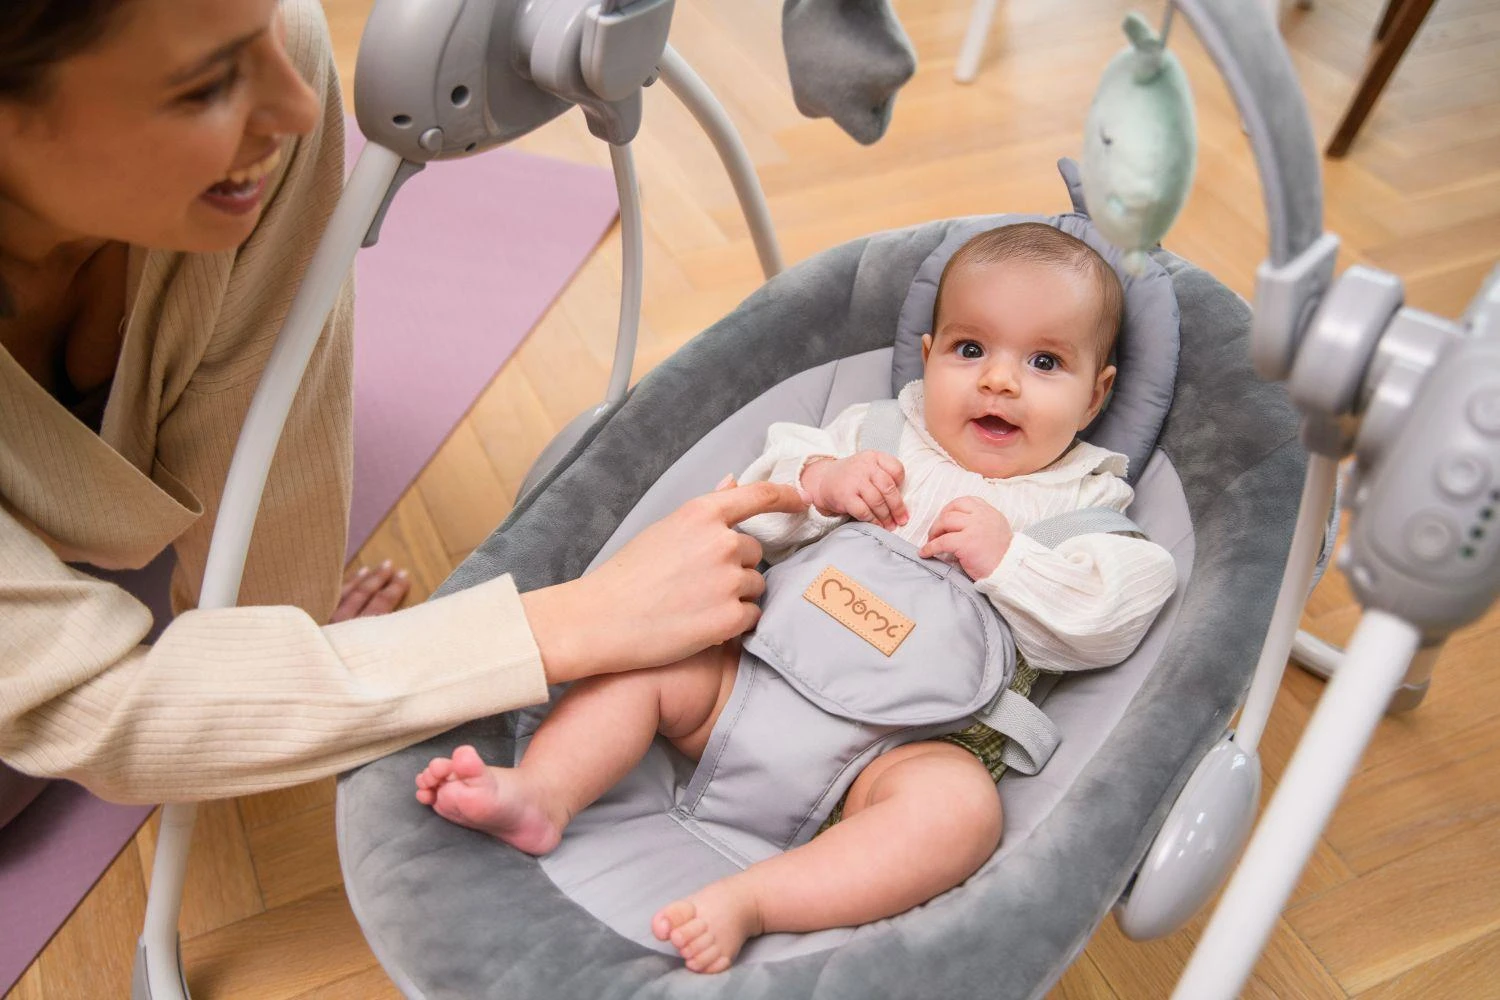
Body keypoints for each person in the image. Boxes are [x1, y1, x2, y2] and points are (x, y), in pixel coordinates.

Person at [0, 0, 805, 807]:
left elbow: (269, 452)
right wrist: (572, 621)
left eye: (266, 27)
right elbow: (96, 708)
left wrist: (290, 649)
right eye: (207, 86)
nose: (301, 107)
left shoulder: (285, 60)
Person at [414, 223, 1180, 973]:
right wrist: (820, 486)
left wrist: (1011, 563)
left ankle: (756, 900)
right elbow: (755, 506)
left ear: (1095, 396)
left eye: (1044, 362)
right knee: (645, 666)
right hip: (744, 686)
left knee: (963, 814)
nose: (998, 381)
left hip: (896, 755)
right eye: (970, 349)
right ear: (928, 355)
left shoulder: (1085, 507)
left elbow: (1109, 619)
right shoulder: (876, 431)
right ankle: (542, 792)